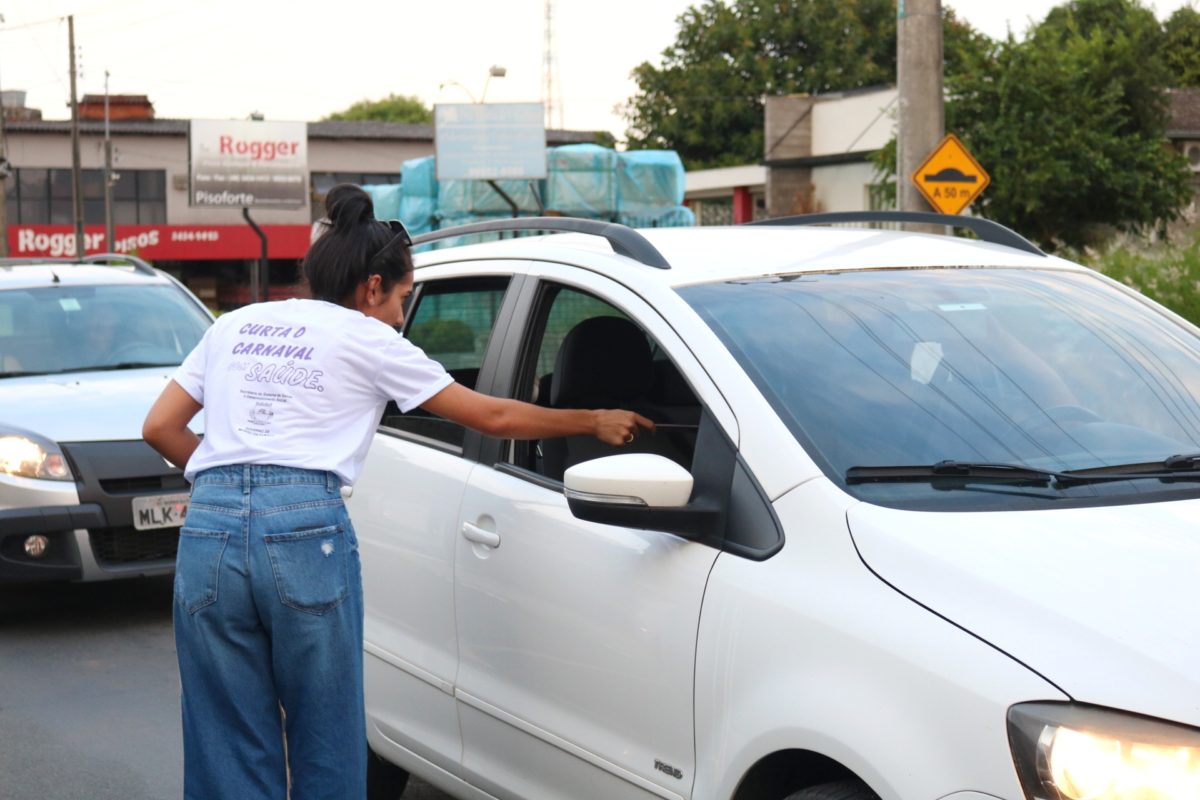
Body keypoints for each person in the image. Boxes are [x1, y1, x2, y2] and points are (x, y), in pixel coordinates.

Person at [142, 183, 653, 800]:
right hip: (304, 531)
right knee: (325, 732)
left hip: (210, 528)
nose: (399, 315)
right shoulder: (371, 339)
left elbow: (160, 428)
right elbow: (489, 417)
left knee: (223, 736)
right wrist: (591, 420)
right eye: (403, 298)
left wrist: (239, 486)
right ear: (373, 286)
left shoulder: (237, 325)